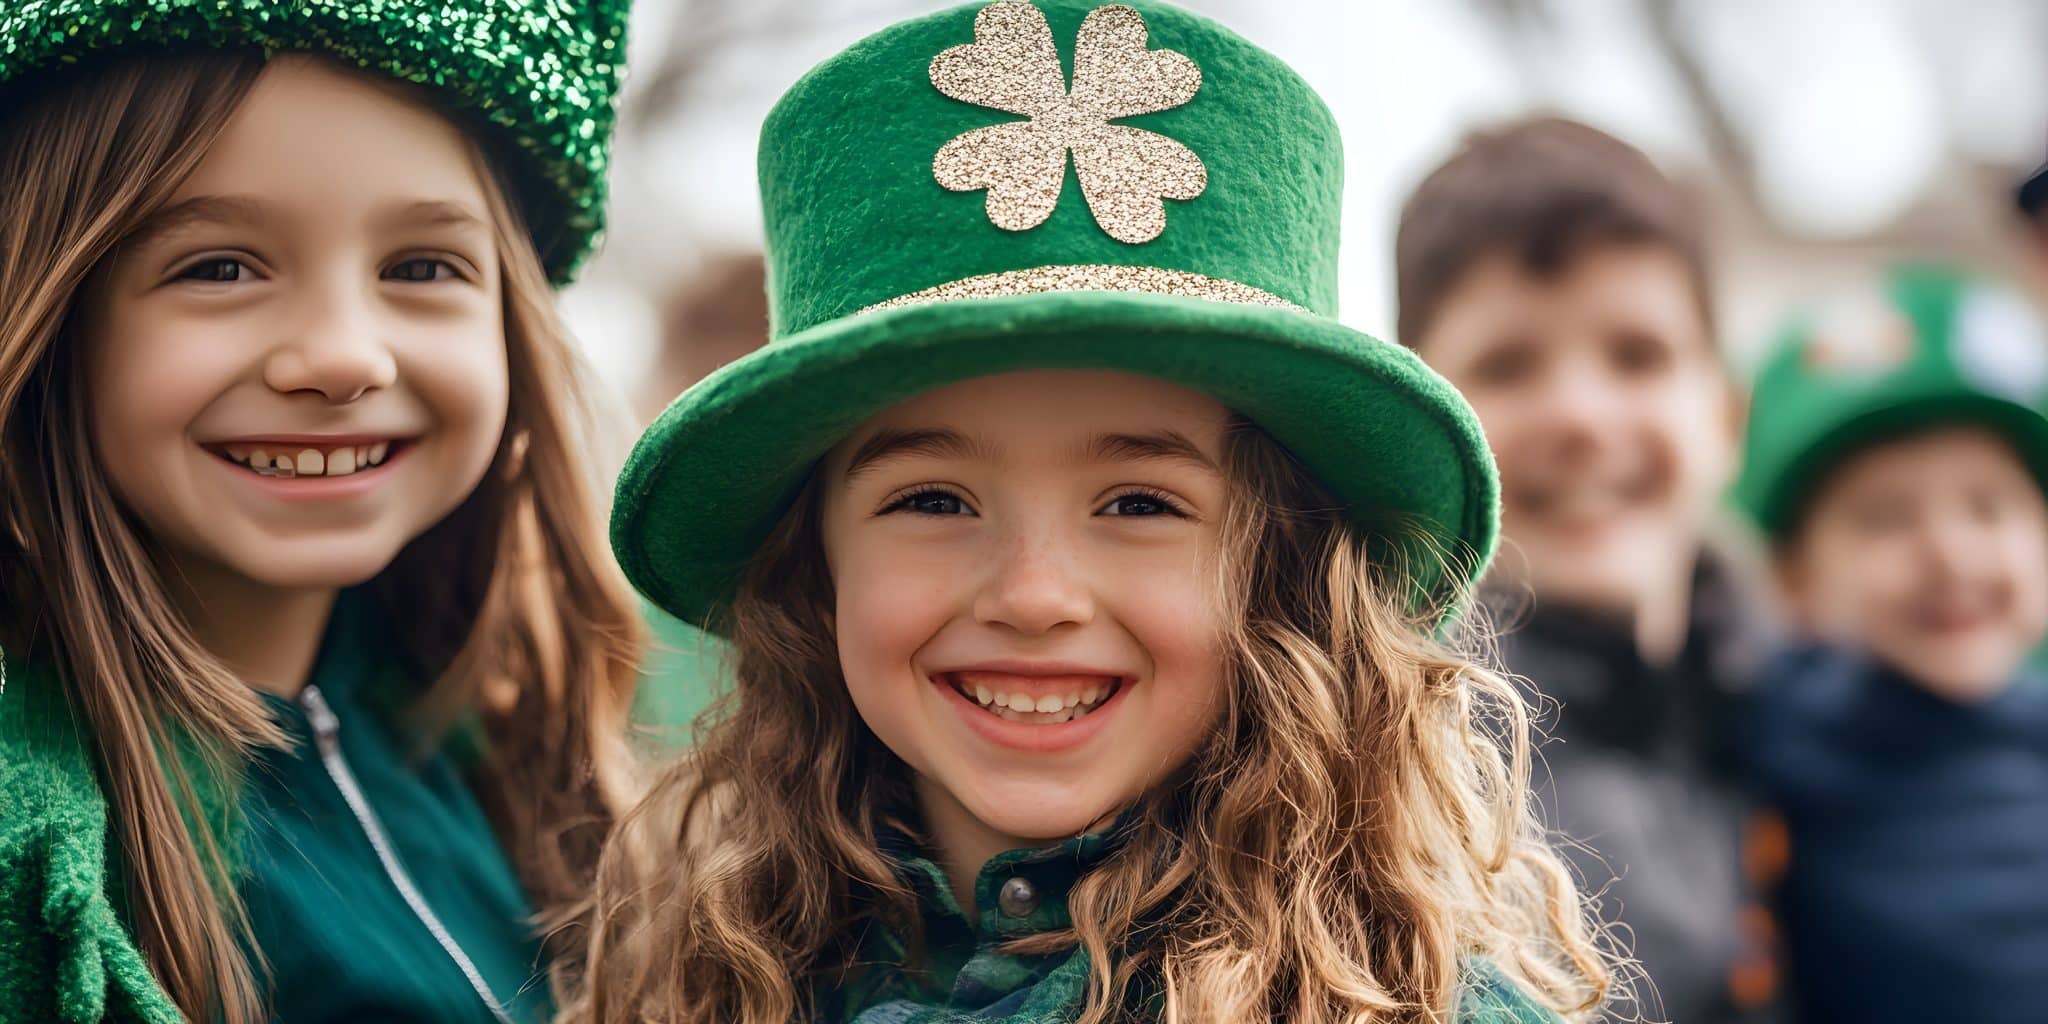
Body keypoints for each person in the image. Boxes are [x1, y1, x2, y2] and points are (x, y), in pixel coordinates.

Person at [566, 3, 1616, 1021]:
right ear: (812, 564)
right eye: (931, 500)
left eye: (1137, 503)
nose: (1032, 595)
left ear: (1279, 567)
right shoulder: (688, 983)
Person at [0, 2, 644, 1020]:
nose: (346, 356)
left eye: (421, 267)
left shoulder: (505, 754)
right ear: (45, 308)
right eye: (219, 267)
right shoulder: (37, 873)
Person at [1395, 117, 1777, 1022]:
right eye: (1508, 364)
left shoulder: (1797, 713)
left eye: (1638, 355)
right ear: (1418, 426)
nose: (1579, 413)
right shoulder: (1394, 783)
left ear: (1725, 416)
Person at [1735, 265, 2048, 1024]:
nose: (1950, 553)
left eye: (1988, 505)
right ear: (1793, 577)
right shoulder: (1758, 735)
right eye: (1883, 517)